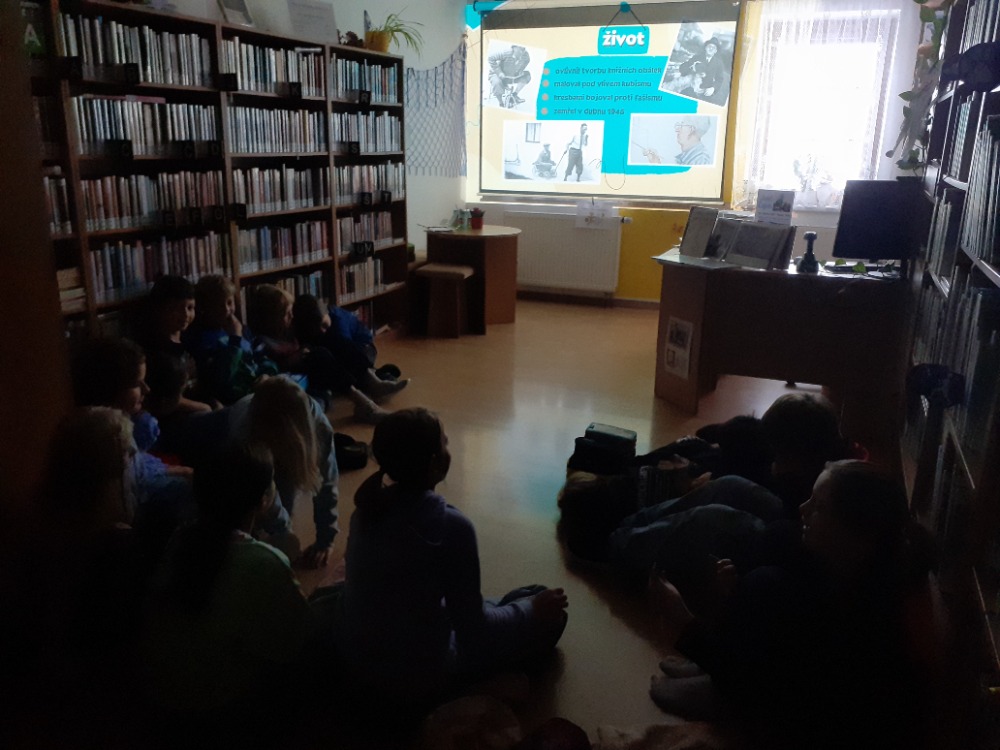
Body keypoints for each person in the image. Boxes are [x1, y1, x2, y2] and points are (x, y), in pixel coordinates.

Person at [648, 460, 937, 750]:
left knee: (764, 579)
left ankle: (719, 691)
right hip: (789, 695)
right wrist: (731, 604)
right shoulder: (852, 577)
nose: (803, 509)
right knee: (770, 555)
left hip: (800, 726)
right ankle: (714, 673)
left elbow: (779, 693)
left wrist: (683, 621)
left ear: (858, 537)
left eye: (819, 507)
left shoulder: (858, 630)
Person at [338, 408, 569, 706]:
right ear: (435, 462)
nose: (449, 448)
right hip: (418, 679)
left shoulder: (366, 511)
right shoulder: (450, 527)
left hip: (358, 663)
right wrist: (531, 610)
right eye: (445, 443)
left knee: (521, 600)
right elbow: (475, 630)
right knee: (547, 610)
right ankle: (466, 691)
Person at [143, 442, 310, 746]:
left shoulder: (181, 537)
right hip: (216, 710)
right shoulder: (266, 562)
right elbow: (290, 644)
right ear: (263, 501)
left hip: (158, 698)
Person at [71, 337, 194, 548]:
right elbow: (126, 513)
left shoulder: (123, 427)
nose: (147, 390)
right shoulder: (108, 442)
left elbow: (139, 466)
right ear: (111, 388)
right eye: (137, 384)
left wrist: (172, 471)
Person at [247, 284, 388, 424]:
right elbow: (267, 370)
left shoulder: (288, 330)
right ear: (272, 318)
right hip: (293, 375)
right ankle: (362, 403)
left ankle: (370, 379)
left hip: (305, 363)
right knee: (319, 355)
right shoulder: (262, 342)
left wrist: (305, 347)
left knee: (330, 339)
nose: (292, 316)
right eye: (287, 313)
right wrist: (289, 361)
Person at [291, 293, 408, 401]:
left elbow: (348, 351)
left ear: (327, 312)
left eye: (324, 324)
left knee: (339, 349)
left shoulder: (337, 319)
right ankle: (378, 376)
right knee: (328, 361)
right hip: (344, 355)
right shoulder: (307, 329)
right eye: (316, 328)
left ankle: (373, 379)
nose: (322, 330)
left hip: (363, 348)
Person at [184, 274, 278, 405]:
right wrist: (235, 339)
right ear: (204, 308)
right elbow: (222, 378)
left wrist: (267, 374)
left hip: (259, 386)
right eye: (218, 305)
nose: (226, 310)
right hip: (236, 399)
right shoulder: (201, 340)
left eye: (229, 303)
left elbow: (260, 355)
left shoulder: (242, 329)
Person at [137, 275, 214, 416]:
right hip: (178, 419)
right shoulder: (155, 353)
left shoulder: (190, 340)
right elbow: (164, 401)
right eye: (176, 308)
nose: (185, 314)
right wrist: (204, 407)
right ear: (158, 309)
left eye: (190, 307)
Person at [679, 37, 729, 105]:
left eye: (713, 48)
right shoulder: (696, 57)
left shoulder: (719, 63)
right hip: (692, 87)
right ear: (705, 48)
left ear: (715, 51)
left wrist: (713, 88)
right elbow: (682, 68)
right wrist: (692, 69)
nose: (711, 48)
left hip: (706, 91)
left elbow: (719, 79)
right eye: (709, 46)